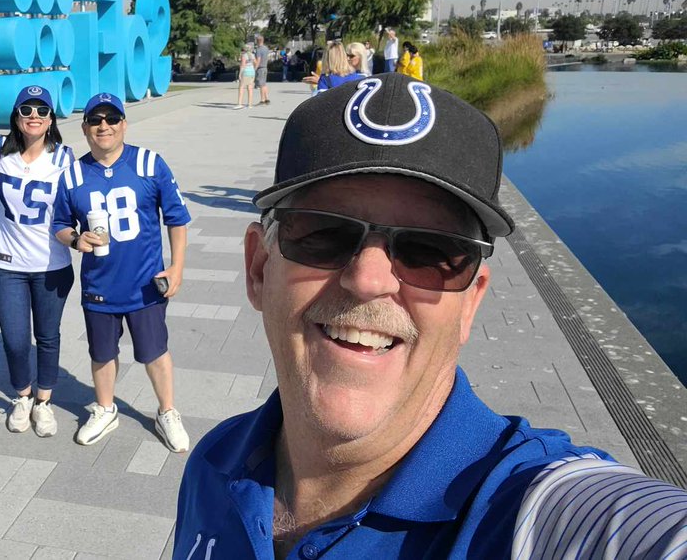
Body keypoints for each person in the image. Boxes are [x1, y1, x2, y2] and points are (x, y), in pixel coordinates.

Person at [173, 73, 687, 559]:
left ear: (471, 303)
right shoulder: (214, 461)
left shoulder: (522, 506)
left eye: (429, 250)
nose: (369, 279)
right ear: (259, 269)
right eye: (324, 233)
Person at [52, 92, 192, 452]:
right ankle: (105, 408)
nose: (104, 126)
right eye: (96, 120)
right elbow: (60, 223)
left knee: (154, 352)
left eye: (111, 118)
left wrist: (176, 268)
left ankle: (167, 411)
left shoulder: (149, 163)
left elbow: (176, 219)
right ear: (84, 128)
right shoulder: (72, 174)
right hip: (99, 283)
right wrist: (74, 240)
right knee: (102, 352)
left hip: (145, 283)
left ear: (124, 124)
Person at [0, 86, 76, 437]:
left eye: (42, 110)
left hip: (51, 264)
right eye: (27, 109)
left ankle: (43, 401)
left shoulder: (65, 158)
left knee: (48, 336)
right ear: (17, 117)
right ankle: (22, 395)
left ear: (51, 119)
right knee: (14, 339)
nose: (34, 116)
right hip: (6, 264)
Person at [236, 43, 257, 109]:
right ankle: (249, 104)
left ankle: (240, 103)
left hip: (245, 72)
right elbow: (255, 63)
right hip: (252, 72)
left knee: (241, 87)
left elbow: (242, 65)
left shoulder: (244, 56)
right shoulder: (252, 55)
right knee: (250, 88)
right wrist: (254, 69)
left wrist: (240, 74)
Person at [254, 34, 272, 105]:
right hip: (265, 67)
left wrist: (255, 68)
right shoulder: (266, 48)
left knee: (261, 84)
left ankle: (262, 99)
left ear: (257, 41)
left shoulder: (259, 49)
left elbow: (258, 59)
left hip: (260, 68)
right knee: (264, 84)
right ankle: (267, 98)